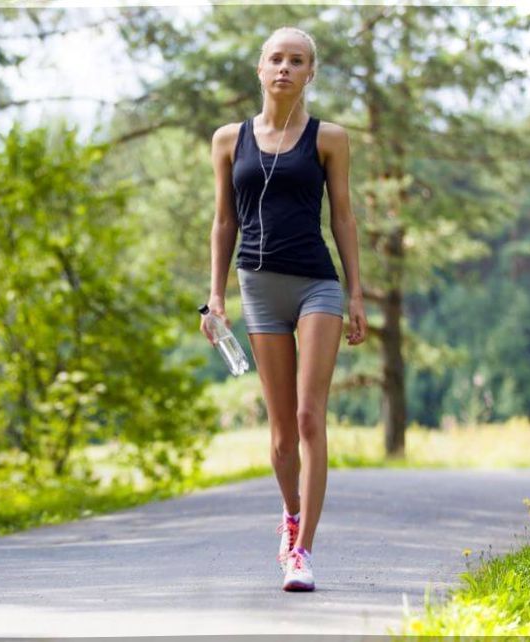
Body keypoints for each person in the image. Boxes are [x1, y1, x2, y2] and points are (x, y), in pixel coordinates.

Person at [200, 26, 368, 592]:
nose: (285, 69)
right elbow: (224, 221)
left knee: (307, 417)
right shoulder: (229, 140)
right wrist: (216, 295)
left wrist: (357, 291)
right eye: (276, 59)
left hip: (317, 285)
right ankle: (289, 511)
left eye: (297, 61)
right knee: (278, 434)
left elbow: (342, 217)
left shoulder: (330, 139)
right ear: (260, 68)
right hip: (257, 288)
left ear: (310, 73)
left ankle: (303, 550)